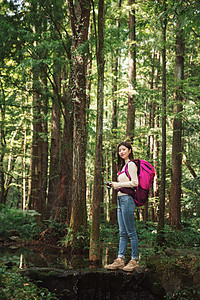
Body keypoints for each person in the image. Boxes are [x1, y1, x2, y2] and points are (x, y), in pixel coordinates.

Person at [104, 141, 139, 271]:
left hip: (127, 201)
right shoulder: (123, 167)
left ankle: (134, 260)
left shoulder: (131, 165)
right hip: (120, 200)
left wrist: (117, 185)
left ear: (129, 150)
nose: (121, 152)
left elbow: (135, 183)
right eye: (120, 150)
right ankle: (120, 259)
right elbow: (125, 184)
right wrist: (114, 186)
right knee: (122, 233)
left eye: (124, 149)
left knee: (131, 232)